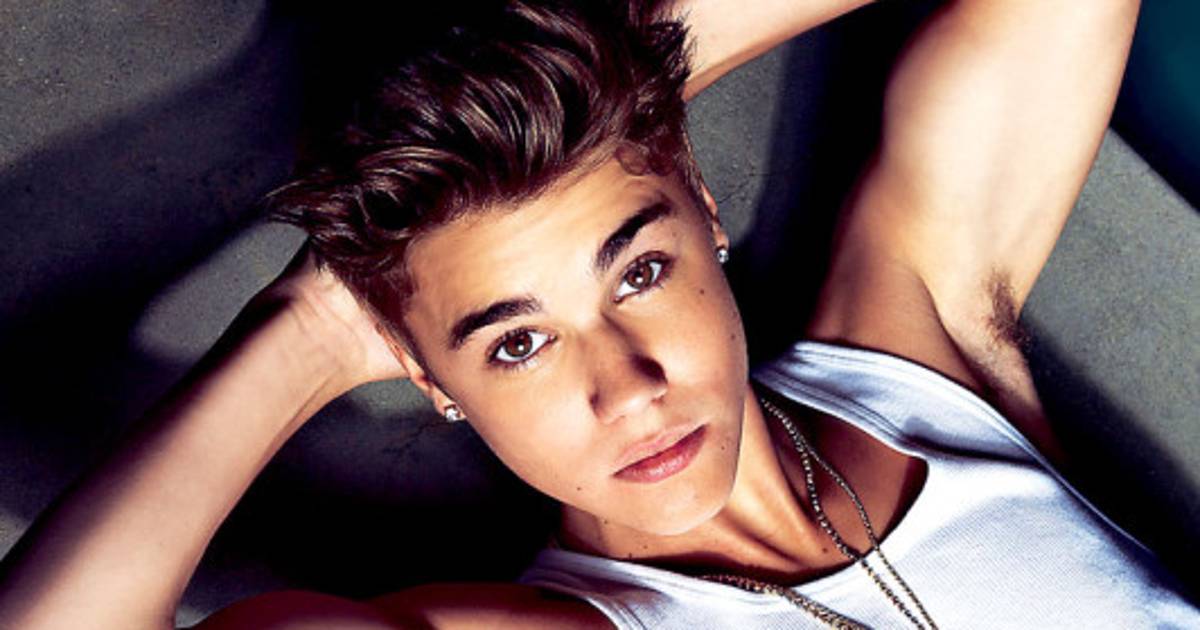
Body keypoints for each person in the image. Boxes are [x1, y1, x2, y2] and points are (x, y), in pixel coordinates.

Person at [0, 0, 1193, 628]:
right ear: (430, 376)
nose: (628, 388)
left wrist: (637, 74)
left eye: (638, 273)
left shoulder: (921, 358)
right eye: (515, 343)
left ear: (702, 211)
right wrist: (305, 336)